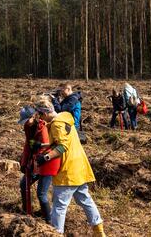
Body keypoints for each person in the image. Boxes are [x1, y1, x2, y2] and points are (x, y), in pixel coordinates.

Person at [31, 99, 104, 236]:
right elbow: (60, 141)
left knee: (59, 205)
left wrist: (45, 157)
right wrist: (41, 146)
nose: (40, 119)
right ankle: (99, 230)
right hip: (79, 167)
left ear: (44, 113)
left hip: (68, 169)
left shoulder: (57, 125)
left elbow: (62, 146)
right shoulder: (64, 119)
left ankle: (56, 233)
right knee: (85, 199)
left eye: (40, 115)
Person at [18, 96, 58, 222]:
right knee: (23, 184)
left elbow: (47, 148)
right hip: (35, 162)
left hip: (46, 162)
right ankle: (26, 211)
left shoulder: (43, 127)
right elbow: (28, 145)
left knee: (41, 194)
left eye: (26, 120)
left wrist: (35, 163)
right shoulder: (28, 127)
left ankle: (49, 220)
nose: (25, 123)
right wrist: (25, 163)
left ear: (33, 116)